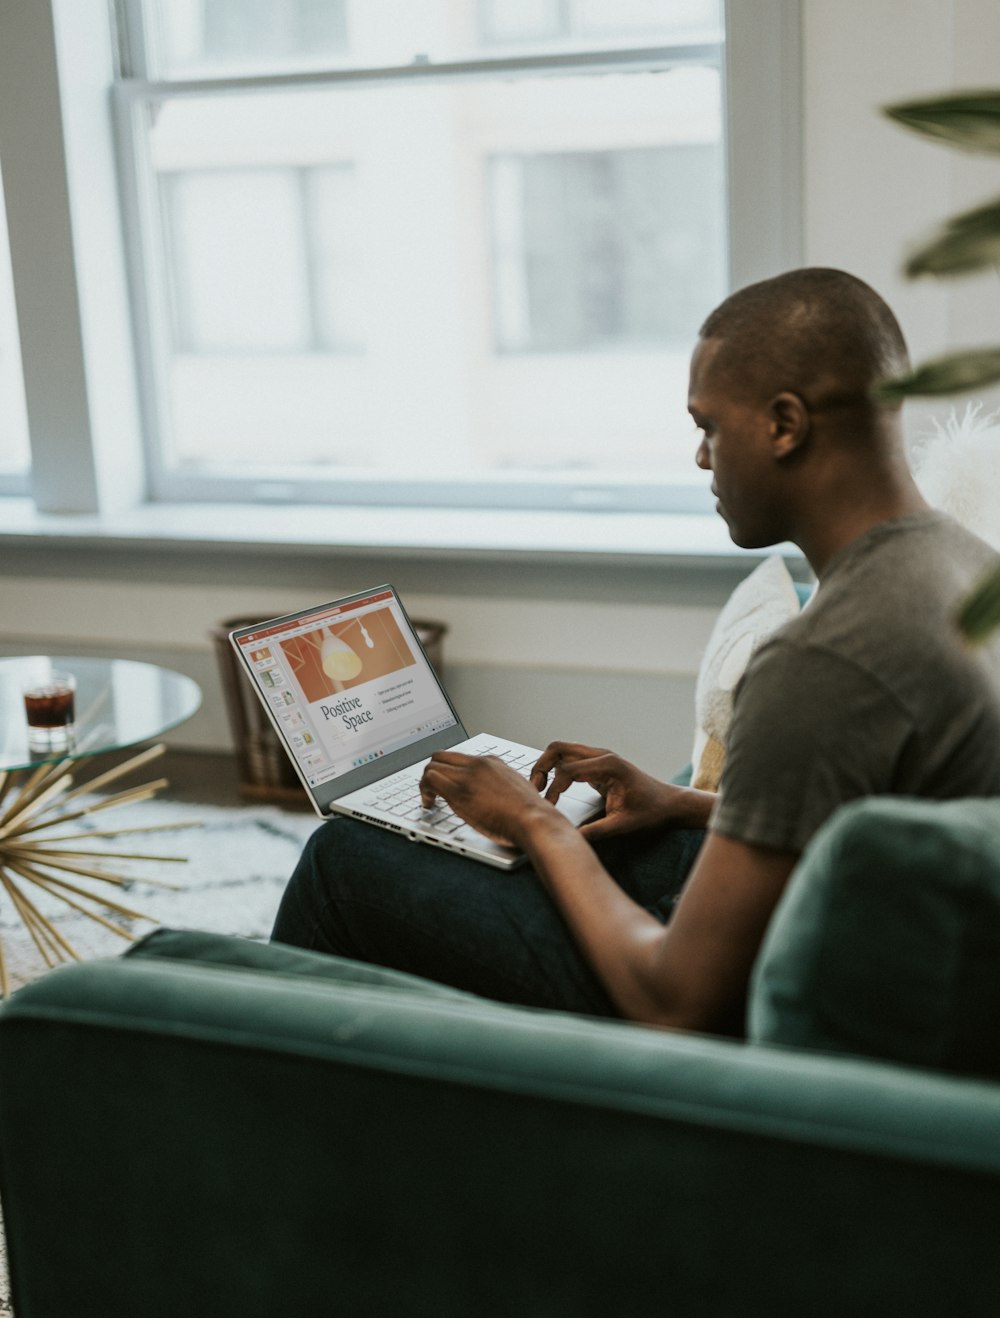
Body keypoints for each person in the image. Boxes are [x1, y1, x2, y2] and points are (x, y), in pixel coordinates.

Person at [272, 267, 1000, 1036]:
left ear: (785, 424)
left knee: (343, 866)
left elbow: (675, 1004)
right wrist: (680, 802)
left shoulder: (824, 659)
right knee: (576, 840)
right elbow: (892, 822)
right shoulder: (963, 562)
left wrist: (535, 821)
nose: (699, 457)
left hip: (750, 1024)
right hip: (855, 932)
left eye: (709, 426)